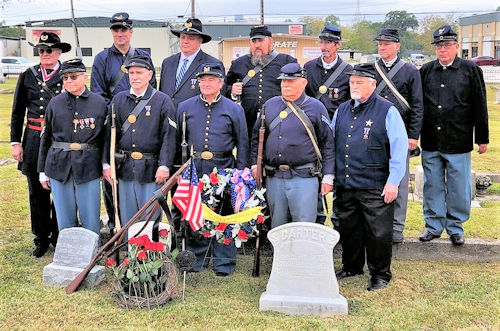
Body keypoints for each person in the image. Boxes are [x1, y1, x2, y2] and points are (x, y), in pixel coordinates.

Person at [333, 63, 407, 291]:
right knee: (349, 228)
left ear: (372, 85)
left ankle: (380, 274)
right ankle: (352, 265)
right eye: (352, 82)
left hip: (375, 184)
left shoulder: (388, 110)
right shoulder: (342, 109)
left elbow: (399, 148)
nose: (354, 86)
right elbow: (332, 141)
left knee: (378, 233)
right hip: (346, 182)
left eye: (359, 82)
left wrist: (394, 181)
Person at [419, 25, 489, 246]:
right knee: (432, 185)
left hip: (458, 139)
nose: (443, 50)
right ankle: (433, 225)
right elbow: (419, 105)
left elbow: (480, 104)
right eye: (439, 46)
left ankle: (456, 227)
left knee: (459, 185)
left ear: (457, 46)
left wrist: (482, 137)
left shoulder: (470, 70)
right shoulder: (426, 70)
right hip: (431, 138)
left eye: (447, 45)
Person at [177, 63, 248, 276]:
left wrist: (240, 174)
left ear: (220, 83)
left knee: (223, 215)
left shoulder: (234, 109)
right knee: (196, 215)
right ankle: (196, 259)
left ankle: (223, 263)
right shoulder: (185, 107)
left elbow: (242, 143)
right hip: (195, 168)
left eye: (211, 80)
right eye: (202, 80)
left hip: (223, 168)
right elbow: (177, 141)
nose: (206, 84)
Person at [91, 12, 157, 233]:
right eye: (116, 30)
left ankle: (143, 226)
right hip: (113, 123)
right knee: (111, 176)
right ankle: (115, 224)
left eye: (123, 29)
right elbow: (98, 93)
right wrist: (118, 110)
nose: (120, 34)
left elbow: (152, 91)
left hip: (143, 121)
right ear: (112, 32)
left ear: (131, 32)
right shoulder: (102, 58)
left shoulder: (142, 56)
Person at [250, 63, 334, 229]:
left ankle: (304, 256)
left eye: (291, 82)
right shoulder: (270, 105)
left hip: (304, 177)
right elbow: (256, 138)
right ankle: (280, 256)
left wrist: (328, 176)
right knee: (277, 226)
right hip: (274, 178)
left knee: (304, 226)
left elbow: (328, 144)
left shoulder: (316, 107)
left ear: (303, 83)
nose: (286, 85)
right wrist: (255, 164)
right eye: (283, 82)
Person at [10, 31, 71, 257]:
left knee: (60, 189)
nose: (45, 54)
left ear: (58, 52)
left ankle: (58, 235)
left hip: (58, 140)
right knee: (36, 192)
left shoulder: (68, 75)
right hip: (34, 138)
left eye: (49, 50)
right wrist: (16, 142)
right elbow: (17, 112)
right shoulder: (28, 75)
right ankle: (41, 238)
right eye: (41, 51)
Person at [103, 55, 177, 227]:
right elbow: (108, 135)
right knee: (128, 216)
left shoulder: (162, 100)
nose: (134, 76)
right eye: (131, 73)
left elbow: (169, 136)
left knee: (150, 215)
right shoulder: (119, 99)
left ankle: (149, 252)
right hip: (125, 168)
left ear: (150, 74)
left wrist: (164, 165)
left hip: (151, 169)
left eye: (139, 72)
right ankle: (131, 250)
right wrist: (106, 164)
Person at [38, 59, 108, 235]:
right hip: (58, 166)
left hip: (88, 166)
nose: (69, 81)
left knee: (90, 216)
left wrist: (105, 164)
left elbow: (105, 138)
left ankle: (92, 253)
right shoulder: (55, 103)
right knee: (64, 217)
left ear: (85, 77)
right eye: (65, 78)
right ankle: (67, 255)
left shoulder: (99, 103)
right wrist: (42, 170)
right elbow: (46, 137)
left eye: (73, 76)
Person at [373, 28, 424, 243]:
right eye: (380, 44)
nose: (382, 47)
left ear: (397, 46)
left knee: (400, 181)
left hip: (401, 134)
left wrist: (413, 135)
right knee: (376, 179)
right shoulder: (372, 69)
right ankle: (376, 224)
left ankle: (396, 227)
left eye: (386, 43)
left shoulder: (410, 71)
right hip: (375, 133)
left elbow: (417, 105)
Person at [304, 25, 352, 227]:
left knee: (339, 175)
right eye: (322, 42)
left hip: (338, 131)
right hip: (311, 131)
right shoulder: (308, 68)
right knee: (312, 174)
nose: (324, 47)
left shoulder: (349, 72)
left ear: (338, 45)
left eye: (329, 43)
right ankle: (317, 218)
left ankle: (339, 219)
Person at [225, 25, 297, 136]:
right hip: (247, 122)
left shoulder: (287, 61)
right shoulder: (238, 63)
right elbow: (223, 87)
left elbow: (299, 88)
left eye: (261, 40)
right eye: (254, 41)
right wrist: (232, 91)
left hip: (279, 119)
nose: (257, 45)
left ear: (271, 42)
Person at [159, 18, 222, 108]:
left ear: (200, 41)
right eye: (183, 37)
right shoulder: (167, 62)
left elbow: (218, 99)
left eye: (191, 38)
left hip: (195, 118)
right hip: (168, 118)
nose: (185, 41)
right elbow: (162, 93)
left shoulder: (212, 63)